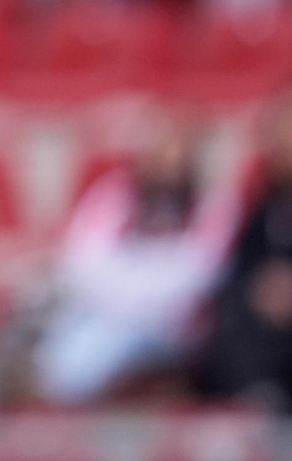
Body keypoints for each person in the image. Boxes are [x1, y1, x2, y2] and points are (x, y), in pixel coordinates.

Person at [31, 121, 239, 405]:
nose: (168, 169)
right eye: (161, 157)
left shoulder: (212, 203)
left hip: (176, 325)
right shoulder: (114, 193)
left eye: (177, 159)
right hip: (107, 315)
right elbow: (79, 262)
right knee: (61, 366)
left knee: (80, 367)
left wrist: (134, 290)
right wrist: (131, 293)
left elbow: (199, 273)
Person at [192, 96, 292, 413]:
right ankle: (257, 396)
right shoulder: (263, 208)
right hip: (264, 329)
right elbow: (241, 265)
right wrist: (264, 287)